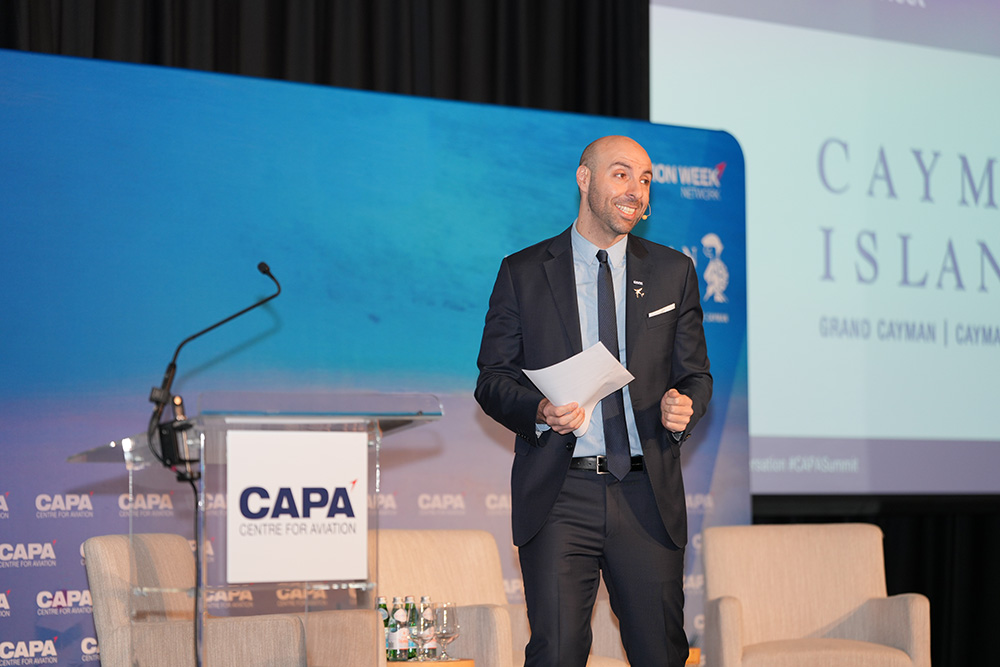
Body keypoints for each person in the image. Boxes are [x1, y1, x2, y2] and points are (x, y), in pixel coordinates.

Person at [475, 135, 712, 667]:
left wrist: (685, 405)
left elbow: (695, 375)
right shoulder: (523, 272)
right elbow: (493, 379)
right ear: (584, 179)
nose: (636, 190)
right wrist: (540, 411)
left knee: (660, 654)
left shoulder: (674, 272)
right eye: (621, 174)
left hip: (646, 493)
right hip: (560, 491)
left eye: (645, 179)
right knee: (556, 653)